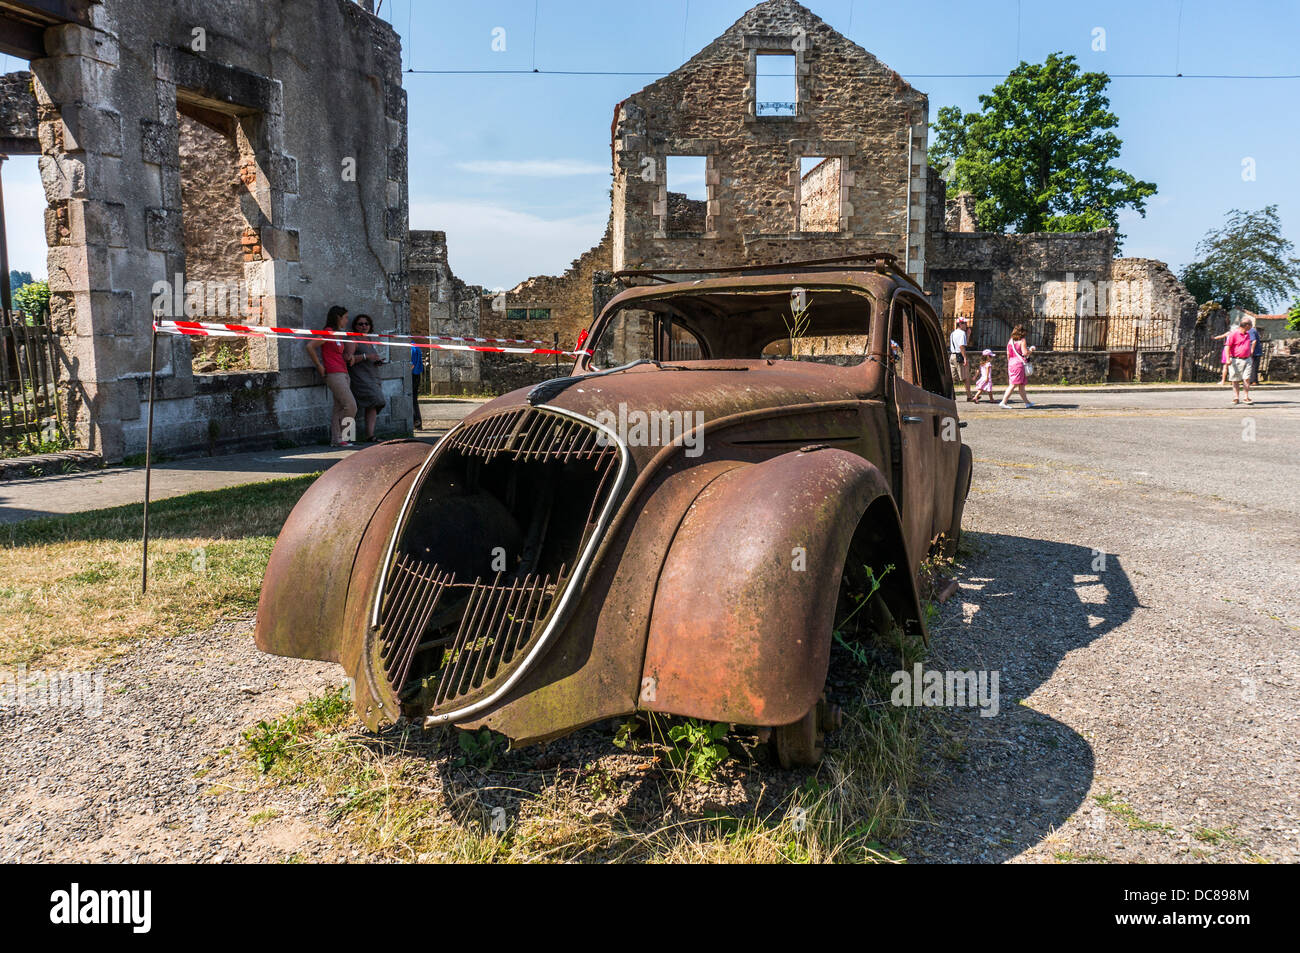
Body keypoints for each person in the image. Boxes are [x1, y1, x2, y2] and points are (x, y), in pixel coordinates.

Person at [306, 305, 357, 447]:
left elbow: (338, 352)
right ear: (338, 317)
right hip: (334, 373)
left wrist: (350, 357)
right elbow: (310, 346)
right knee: (351, 406)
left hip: (344, 372)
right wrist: (319, 365)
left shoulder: (338, 333)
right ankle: (341, 436)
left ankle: (338, 440)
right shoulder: (327, 332)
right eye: (345, 317)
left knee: (339, 407)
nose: (347, 320)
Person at [347, 313, 387, 441]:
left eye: (366, 323)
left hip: (373, 376)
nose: (364, 326)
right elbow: (348, 359)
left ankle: (370, 435)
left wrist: (376, 361)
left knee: (373, 405)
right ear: (355, 326)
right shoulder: (354, 340)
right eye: (360, 324)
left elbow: (369, 357)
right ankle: (345, 438)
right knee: (350, 406)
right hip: (360, 378)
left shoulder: (369, 340)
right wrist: (366, 357)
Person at [998, 325, 1036, 408]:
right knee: (1013, 384)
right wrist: (1031, 350)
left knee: (1021, 385)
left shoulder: (1010, 341)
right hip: (1019, 364)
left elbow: (1008, 354)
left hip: (1011, 362)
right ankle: (1003, 402)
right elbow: (1025, 353)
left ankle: (1027, 403)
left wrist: (1010, 363)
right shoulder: (1022, 340)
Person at [1225, 317, 1255, 404]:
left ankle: (1246, 397)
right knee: (1235, 379)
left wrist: (1250, 352)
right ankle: (1236, 398)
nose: (1251, 327)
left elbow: (1252, 343)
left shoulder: (1248, 334)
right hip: (1236, 360)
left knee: (1247, 378)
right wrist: (1227, 359)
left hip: (1247, 359)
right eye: (1251, 325)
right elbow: (1227, 346)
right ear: (1246, 325)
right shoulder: (1233, 334)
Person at [949, 316, 973, 401]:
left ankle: (950, 395)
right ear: (960, 324)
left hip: (952, 356)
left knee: (952, 377)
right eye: (964, 323)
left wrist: (968, 335)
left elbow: (963, 343)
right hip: (959, 356)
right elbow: (962, 346)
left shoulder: (953, 333)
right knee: (965, 377)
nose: (966, 325)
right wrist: (965, 358)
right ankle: (969, 396)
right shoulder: (962, 333)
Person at [410, 343, 425, 430]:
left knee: (410, 399)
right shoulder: (416, 346)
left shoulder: (411, 348)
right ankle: (417, 423)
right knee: (414, 400)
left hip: (412, 375)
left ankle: (416, 420)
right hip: (417, 375)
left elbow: (411, 365)